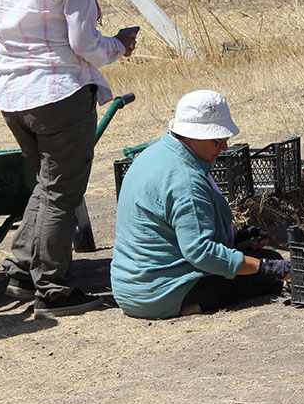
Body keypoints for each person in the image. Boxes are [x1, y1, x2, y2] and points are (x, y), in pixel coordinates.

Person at [0, 0, 139, 319]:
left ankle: (20, 270)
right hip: (59, 92)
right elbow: (84, 43)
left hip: (11, 91)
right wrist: (119, 46)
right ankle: (53, 285)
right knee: (63, 189)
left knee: (48, 183)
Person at [111, 90, 290, 319]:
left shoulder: (153, 153)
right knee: (270, 262)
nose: (225, 147)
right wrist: (263, 267)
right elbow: (201, 253)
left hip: (131, 289)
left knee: (254, 260)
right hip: (162, 293)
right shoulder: (186, 180)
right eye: (218, 140)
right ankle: (190, 305)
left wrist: (237, 238)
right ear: (193, 135)